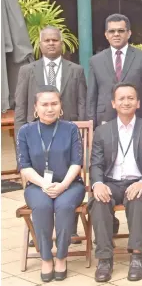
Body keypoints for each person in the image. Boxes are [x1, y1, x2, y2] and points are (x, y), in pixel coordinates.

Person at [89, 83, 142, 282]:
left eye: (131, 98)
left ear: (138, 103)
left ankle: (137, 255)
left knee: (138, 200)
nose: (126, 102)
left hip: (139, 182)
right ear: (113, 103)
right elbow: (95, 163)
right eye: (121, 98)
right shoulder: (102, 131)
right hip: (110, 183)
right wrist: (97, 184)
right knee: (98, 201)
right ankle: (104, 258)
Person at [16, 86, 85, 282]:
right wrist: (44, 185)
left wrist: (62, 185)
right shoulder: (25, 131)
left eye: (54, 103)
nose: (49, 108)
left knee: (63, 206)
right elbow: (24, 166)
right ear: (35, 108)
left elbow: (76, 163)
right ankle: (46, 258)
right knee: (43, 206)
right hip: (37, 186)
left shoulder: (70, 128)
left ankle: (62, 256)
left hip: (70, 185)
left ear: (60, 106)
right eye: (44, 104)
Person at [15, 26, 86, 130]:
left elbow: (82, 103)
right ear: (40, 45)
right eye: (47, 40)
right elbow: (21, 106)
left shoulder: (76, 70)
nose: (51, 43)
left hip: (68, 128)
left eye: (55, 40)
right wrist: (19, 141)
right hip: (35, 129)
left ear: (61, 44)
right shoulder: (27, 71)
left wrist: (81, 131)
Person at [87, 14, 142, 126]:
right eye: (112, 31)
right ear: (106, 35)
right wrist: (91, 125)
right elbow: (91, 96)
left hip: (137, 118)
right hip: (104, 119)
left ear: (129, 33)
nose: (116, 34)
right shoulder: (96, 61)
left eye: (121, 31)